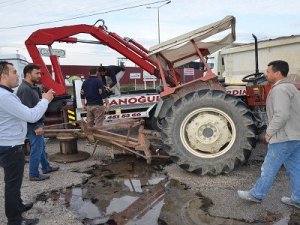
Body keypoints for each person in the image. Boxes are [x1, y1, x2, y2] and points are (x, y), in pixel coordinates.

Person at [238, 60, 300, 209]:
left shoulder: (279, 90)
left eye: (268, 71)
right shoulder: (292, 88)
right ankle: (298, 198)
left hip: (283, 137)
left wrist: (269, 132)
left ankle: (256, 195)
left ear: (278, 73)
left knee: (269, 168)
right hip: (295, 136)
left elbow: (282, 115)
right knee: (295, 168)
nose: (267, 74)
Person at [0, 61, 54, 225]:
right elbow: (30, 115)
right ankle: (15, 220)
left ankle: (19, 206)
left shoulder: (6, 94)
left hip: (9, 144)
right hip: (10, 147)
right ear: (3, 75)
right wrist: (45, 100)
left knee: (14, 183)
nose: (17, 75)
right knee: (12, 185)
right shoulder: (5, 96)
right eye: (14, 72)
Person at [17, 64, 59, 182]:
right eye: (37, 73)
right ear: (28, 74)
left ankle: (46, 167)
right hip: (33, 125)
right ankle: (34, 174)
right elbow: (27, 111)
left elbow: (35, 105)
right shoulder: (25, 89)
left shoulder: (31, 87)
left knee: (41, 147)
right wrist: (36, 126)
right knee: (36, 148)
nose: (39, 76)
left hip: (37, 123)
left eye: (40, 73)